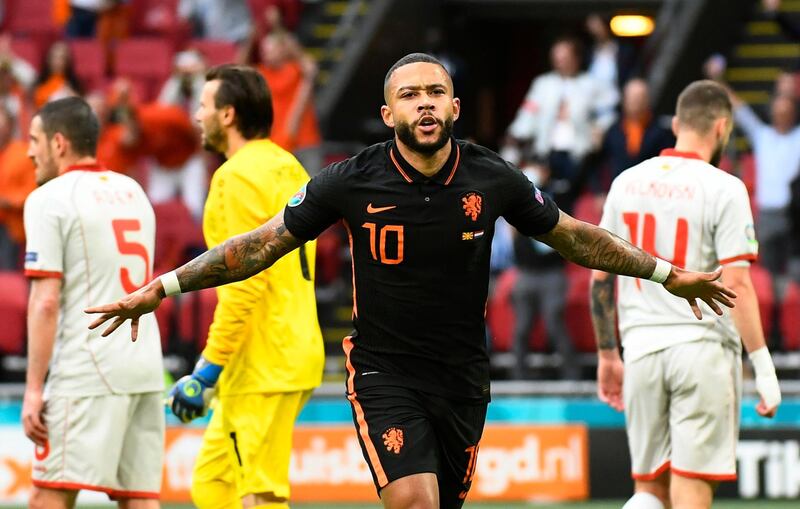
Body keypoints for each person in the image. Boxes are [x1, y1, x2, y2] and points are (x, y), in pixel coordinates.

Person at [87, 53, 736, 509]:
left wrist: (665, 272)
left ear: (454, 105)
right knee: (415, 501)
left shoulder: (493, 177)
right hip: (382, 373)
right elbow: (259, 246)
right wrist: (166, 286)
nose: (424, 103)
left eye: (434, 93)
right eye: (409, 95)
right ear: (389, 111)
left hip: (462, 376)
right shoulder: (350, 179)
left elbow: (572, 234)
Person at [590, 80, 782, 509]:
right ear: (722, 128)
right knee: (691, 488)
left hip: (640, 352)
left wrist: (607, 355)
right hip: (701, 351)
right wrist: (764, 368)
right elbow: (737, 284)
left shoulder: (626, 182)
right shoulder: (724, 187)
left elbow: (600, 278)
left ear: (676, 123)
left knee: (648, 493)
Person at [172, 65, 324, 509]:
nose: (196, 115)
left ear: (227, 115)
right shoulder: (286, 164)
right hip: (290, 347)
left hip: (263, 361)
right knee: (213, 484)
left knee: (257, 495)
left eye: (202, 106)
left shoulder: (234, 178)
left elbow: (242, 284)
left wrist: (207, 370)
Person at [22, 97, 164, 508]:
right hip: (143, 367)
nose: (29, 150)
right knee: (138, 498)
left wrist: (34, 389)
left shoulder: (49, 198)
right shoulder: (133, 190)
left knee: (49, 494)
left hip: (87, 368)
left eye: (35, 140)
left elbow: (45, 302)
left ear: (59, 143)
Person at [502, 36, 618, 186]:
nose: (560, 62)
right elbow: (528, 112)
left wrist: (600, 129)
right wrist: (516, 133)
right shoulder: (543, 84)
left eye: (565, 58)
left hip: (580, 153)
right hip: (547, 151)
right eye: (557, 58)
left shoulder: (592, 84)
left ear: (576, 58)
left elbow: (608, 112)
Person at [0, 106, 35, 270]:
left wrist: (9, 201)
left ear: (10, 125)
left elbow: (32, 191)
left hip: (11, 228)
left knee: (8, 274)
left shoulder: (23, 153)